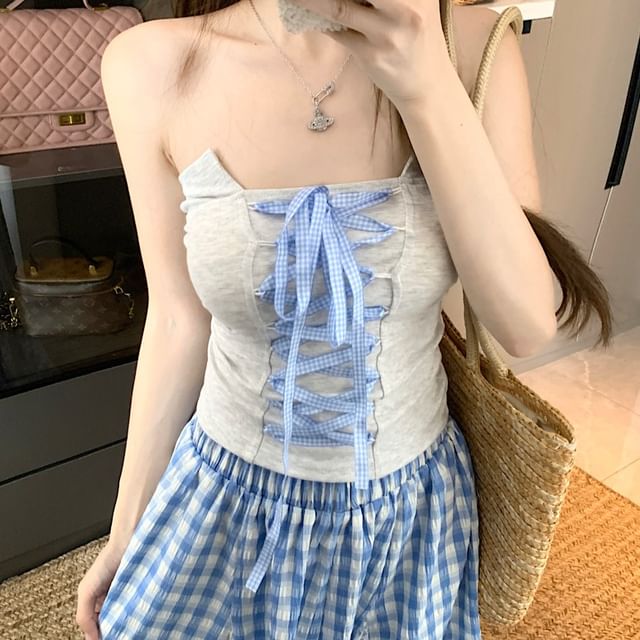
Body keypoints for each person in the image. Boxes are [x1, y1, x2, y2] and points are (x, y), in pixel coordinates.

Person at [74, 0, 611, 638]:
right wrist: (126, 530)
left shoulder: (474, 46)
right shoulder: (151, 63)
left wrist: (427, 87)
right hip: (223, 496)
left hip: (407, 518)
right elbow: (177, 318)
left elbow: (524, 325)